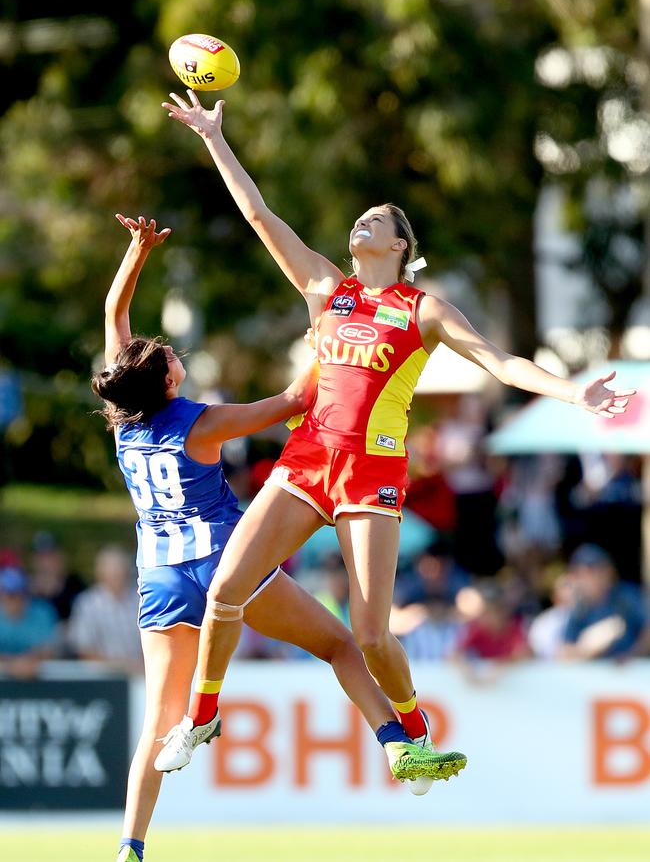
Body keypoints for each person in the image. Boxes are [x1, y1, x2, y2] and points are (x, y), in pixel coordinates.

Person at [155, 89, 634, 785]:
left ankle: (411, 728)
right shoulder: (327, 286)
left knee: (372, 633)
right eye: (360, 217)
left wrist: (574, 390)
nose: (361, 221)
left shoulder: (422, 309)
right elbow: (259, 215)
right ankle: (201, 716)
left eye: (375, 219)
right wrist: (212, 137)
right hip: (308, 456)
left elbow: (500, 362)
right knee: (226, 585)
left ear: (400, 244)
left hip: (371, 474)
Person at [93, 216, 460, 862]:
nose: (172, 352)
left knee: (157, 721)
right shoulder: (200, 421)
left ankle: (131, 844)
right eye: (170, 355)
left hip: (158, 577)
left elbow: (113, 313)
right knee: (344, 645)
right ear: (170, 382)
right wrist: (338, 338)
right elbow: (296, 399)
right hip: (218, 561)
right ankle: (396, 738)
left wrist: (135, 254)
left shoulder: (125, 419)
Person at [67, 544, 143, 674]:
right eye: (112, 571)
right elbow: (84, 649)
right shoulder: (87, 603)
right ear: (100, 572)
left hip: (140, 676)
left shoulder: (141, 600)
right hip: (99, 679)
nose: (116, 575)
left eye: (119, 570)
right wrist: (119, 666)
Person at [0, 565, 58, 679]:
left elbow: (48, 647)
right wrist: (12, 665)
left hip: (39, 683)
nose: (14, 599)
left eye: (18, 593)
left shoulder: (43, 612)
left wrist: (25, 662)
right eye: (9, 594)